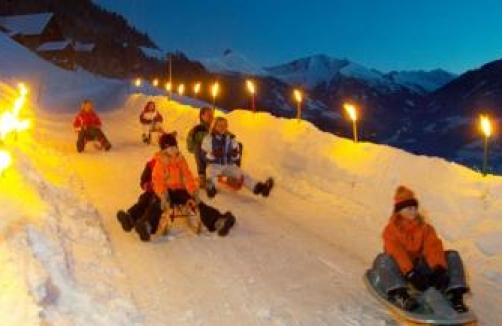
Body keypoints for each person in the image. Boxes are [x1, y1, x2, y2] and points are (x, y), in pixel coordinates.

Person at [370, 186, 469, 313]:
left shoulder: (425, 228)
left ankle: (456, 296)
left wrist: (439, 268)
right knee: (383, 259)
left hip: (420, 268)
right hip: (402, 270)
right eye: (409, 208)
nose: (413, 211)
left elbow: (432, 247)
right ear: (399, 211)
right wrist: (410, 273)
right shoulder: (390, 231)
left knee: (452, 255)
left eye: (415, 208)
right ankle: (401, 295)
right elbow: (397, 253)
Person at [138, 132, 235, 241]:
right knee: (157, 205)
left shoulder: (181, 160)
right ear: (163, 150)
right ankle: (147, 225)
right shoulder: (160, 162)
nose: (173, 150)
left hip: (180, 190)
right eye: (170, 148)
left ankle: (218, 220)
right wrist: (162, 195)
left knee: (196, 203)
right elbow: (157, 180)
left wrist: (193, 191)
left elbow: (187, 177)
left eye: (175, 147)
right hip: (165, 192)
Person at [201, 116, 273, 198]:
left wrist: (235, 155)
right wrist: (212, 155)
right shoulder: (208, 139)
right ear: (214, 126)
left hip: (228, 165)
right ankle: (211, 189)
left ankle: (260, 188)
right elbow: (203, 156)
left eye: (225, 125)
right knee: (211, 174)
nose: (222, 128)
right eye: (220, 125)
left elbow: (236, 157)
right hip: (214, 165)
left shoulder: (231, 138)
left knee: (242, 174)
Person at [116, 153, 163, 241]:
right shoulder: (152, 164)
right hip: (152, 190)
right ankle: (129, 219)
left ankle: (145, 225)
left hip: (163, 192)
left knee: (154, 204)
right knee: (144, 200)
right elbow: (143, 180)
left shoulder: (174, 162)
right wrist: (146, 185)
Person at [186, 107, 214, 188]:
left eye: (212, 115)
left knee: (237, 145)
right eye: (209, 115)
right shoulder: (197, 129)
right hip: (205, 155)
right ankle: (202, 175)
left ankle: (232, 176)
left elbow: (226, 133)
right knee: (198, 147)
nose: (211, 117)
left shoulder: (215, 126)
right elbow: (190, 146)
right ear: (202, 116)